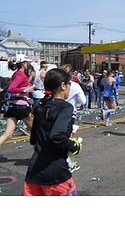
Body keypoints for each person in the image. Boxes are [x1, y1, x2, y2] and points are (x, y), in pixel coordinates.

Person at [23, 68, 82, 196]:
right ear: (62, 86)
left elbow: (34, 140)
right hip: (55, 174)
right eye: (69, 84)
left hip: (34, 172)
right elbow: (56, 136)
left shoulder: (41, 107)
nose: (69, 88)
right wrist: (74, 146)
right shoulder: (65, 107)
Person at [0, 54, 34, 149]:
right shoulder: (20, 74)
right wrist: (25, 91)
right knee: (36, 131)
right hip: (21, 107)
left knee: (7, 134)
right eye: (26, 62)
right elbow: (11, 88)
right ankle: (40, 156)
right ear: (23, 63)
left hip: (14, 106)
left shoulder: (16, 74)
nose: (28, 64)